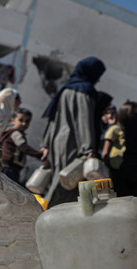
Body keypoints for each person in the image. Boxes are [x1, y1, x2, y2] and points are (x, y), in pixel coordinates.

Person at [40, 57, 106, 207]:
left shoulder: (66, 88)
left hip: (58, 142)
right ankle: (49, 215)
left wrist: (45, 144)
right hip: (74, 143)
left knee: (62, 178)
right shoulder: (84, 90)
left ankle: (49, 213)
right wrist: (88, 148)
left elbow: (52, 119)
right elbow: (84, 120)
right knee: (69, 181)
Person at [0, 108, 48, 184]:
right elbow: (23, 147)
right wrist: (39, 155)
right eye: (21, 120)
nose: (24, 123)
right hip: (10, 168)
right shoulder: (16, 133)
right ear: (13, 121)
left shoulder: (9, 133)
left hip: (7, 167)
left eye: (27, 121)